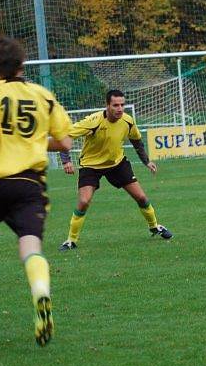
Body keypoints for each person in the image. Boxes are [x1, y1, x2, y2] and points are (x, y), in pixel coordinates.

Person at [0, 35, 73, 346]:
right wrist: (35, 141)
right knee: (31, 247)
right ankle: (41, 295)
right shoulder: (43, 95)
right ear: (23, 63)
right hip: (29, 184)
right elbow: (65, 142)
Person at [58, 89, 172, 251]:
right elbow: (65, 136)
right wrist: (66, 160)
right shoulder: (93, 121)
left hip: (117, 164)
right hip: (91, 166)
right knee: (83, 202)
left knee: (141, 197)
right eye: (115, 105)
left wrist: (146, 161)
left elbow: (136, 141)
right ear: (107, 106)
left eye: (122, 105)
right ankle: (71, 240)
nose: (119, 108)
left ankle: (154, 226)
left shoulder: (127, 121)